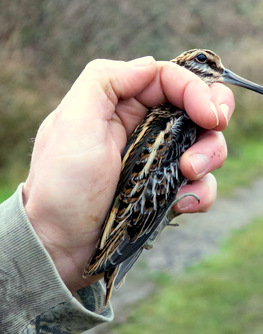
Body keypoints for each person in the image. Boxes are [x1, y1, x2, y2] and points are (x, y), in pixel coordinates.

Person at [0, 56, 235, 333]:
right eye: (209, 65)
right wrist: (51, 239)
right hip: (120, 229)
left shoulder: (168, 118)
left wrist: (52, 243)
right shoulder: (171, 122)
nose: (223, 74)